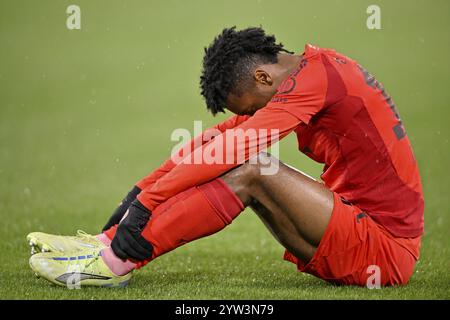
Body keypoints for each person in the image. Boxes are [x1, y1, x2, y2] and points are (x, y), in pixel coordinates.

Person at [28, 26, 424, 288]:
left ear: (262, 78)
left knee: (253, 169)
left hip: (384, 248)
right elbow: (209, 144)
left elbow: (235, 150)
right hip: (350, 223)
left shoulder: (317, 78)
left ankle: (116, 264)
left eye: (249, 109)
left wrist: (148, 205)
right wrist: (136, 198)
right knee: (240, 162)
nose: (248, 118)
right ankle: (107, 247)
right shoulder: (305, 75)